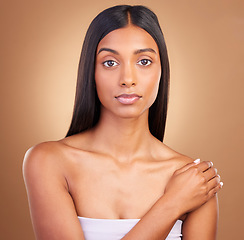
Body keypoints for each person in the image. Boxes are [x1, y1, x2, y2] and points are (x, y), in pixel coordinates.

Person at [23, 5, 223, 240]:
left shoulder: (195, 180)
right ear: (91, 71)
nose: (127, 79)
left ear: (162, 70)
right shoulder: (48, 161)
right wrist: (171, 204)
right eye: (110, 62)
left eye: (144, 61)